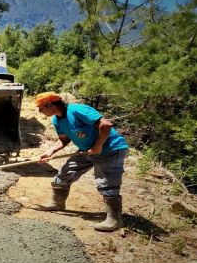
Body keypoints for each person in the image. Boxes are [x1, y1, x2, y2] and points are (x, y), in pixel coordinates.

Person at [34, 92, 129, 232]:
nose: (40, 111)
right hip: (86, 151)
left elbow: (106, 125)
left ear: (49, 105)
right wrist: (51, 151)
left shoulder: (77, 110)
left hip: (110, 149)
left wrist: (97, 146)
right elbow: (64, 139)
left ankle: (115, 219)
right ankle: (57, 203)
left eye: (40, 108)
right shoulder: (57, 120)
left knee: (107, 183)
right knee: (65, 174)